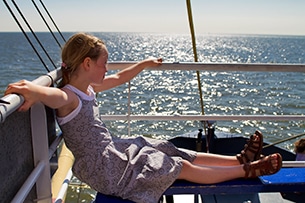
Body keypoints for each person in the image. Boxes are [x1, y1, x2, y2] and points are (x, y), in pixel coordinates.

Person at [4, 33, 282, 203]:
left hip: (112, 152)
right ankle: (246, 170)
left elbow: (119, 77)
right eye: (103, 63)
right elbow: (55, 97)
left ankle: (236, 160)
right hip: (105, 168)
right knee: (174, 166)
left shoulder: (87, 87)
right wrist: (32, 90)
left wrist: (145, 63)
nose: (107, 69)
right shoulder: (70, 96)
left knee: (168, 148)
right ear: (87, 64)